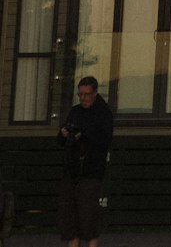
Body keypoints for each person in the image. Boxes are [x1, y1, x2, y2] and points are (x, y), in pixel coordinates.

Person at [57, 77, 113, 247]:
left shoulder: (103, 113)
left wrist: (85, 136)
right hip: (72, 170)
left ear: (95, 93)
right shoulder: (75, 111)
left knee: (88, 217)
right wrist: (64, 134)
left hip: (91, 171)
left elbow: (105, 140)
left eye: (87, 94)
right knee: (69, 218)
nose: (83, 98)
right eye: (80, 94)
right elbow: (61, 141)